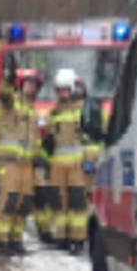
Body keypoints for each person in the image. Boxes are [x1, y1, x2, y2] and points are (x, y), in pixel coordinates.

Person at [42, 69, 103, 253]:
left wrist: (90, 160)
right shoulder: (55, 113)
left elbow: (95, 137)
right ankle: (62, 237)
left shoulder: (86, 109)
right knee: (59, 204)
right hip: (58, 167)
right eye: (59, 90)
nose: (62, 94)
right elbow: (50, 141)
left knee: (78, 203)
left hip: (78, 165)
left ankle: (78, 239)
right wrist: (46, 161)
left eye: (65, 90)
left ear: (74, 89)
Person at [0, 70, 42, 255]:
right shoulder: (9, 102)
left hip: (26, 163)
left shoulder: (30, 108)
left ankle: (15, 239)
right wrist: (8, 79)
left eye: (34, 84)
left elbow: (33, 137)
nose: (31, 87)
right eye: (28, 83)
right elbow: (5, 94)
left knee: (24, 202)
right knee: (8, 200)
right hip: (7, 160)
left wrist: (38, 154)